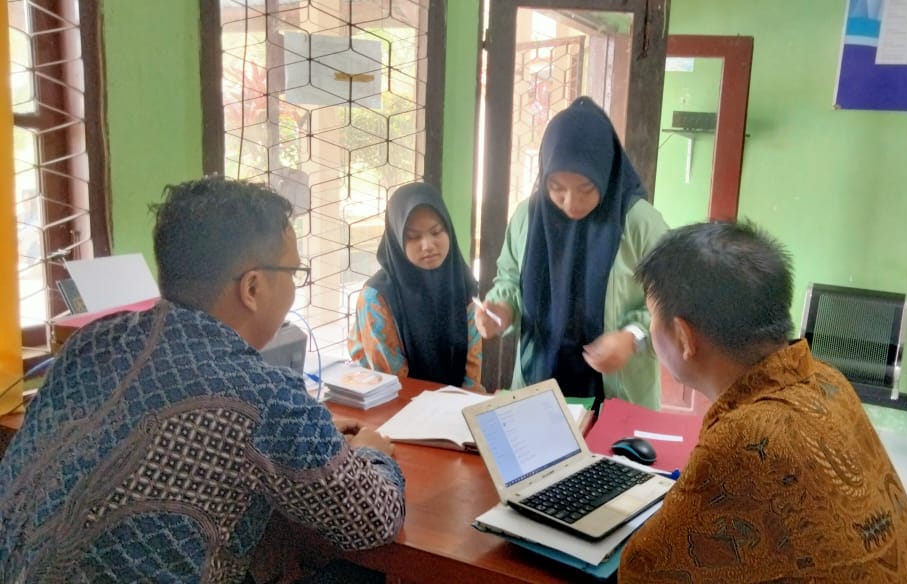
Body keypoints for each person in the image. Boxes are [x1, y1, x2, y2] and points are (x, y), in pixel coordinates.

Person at [0, 177, 406, 583]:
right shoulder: (265, 398)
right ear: (252, 287)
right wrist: (371, 454)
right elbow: (373, 519)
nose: (293, 288)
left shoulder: (93, 341)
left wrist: (309, 433)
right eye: (293, 273)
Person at [620, 221, 907, 582]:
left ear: (683, 336)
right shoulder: (827, 380)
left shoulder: (744, 438)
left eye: (652, 316)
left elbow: (641, 571)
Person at [475, 97, 668, 408]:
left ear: (605, 171)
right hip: (537, 387)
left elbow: (671, 304)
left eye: (585, 189)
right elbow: (509, 279)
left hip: (617, 394)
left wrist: (632, 337)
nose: (570, 202)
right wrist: (501, 310)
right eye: (556, 187)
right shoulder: (528, 217)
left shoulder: (639, 222)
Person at [348, 182, 482, 390]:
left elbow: (472, 373)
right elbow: (392, 383)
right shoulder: (377, 298)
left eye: (436, 232)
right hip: (394, 402)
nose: (428, 245)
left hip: (459, 403)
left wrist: (465, 403)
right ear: (397, 240)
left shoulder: (463, 284)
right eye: (413, 237)